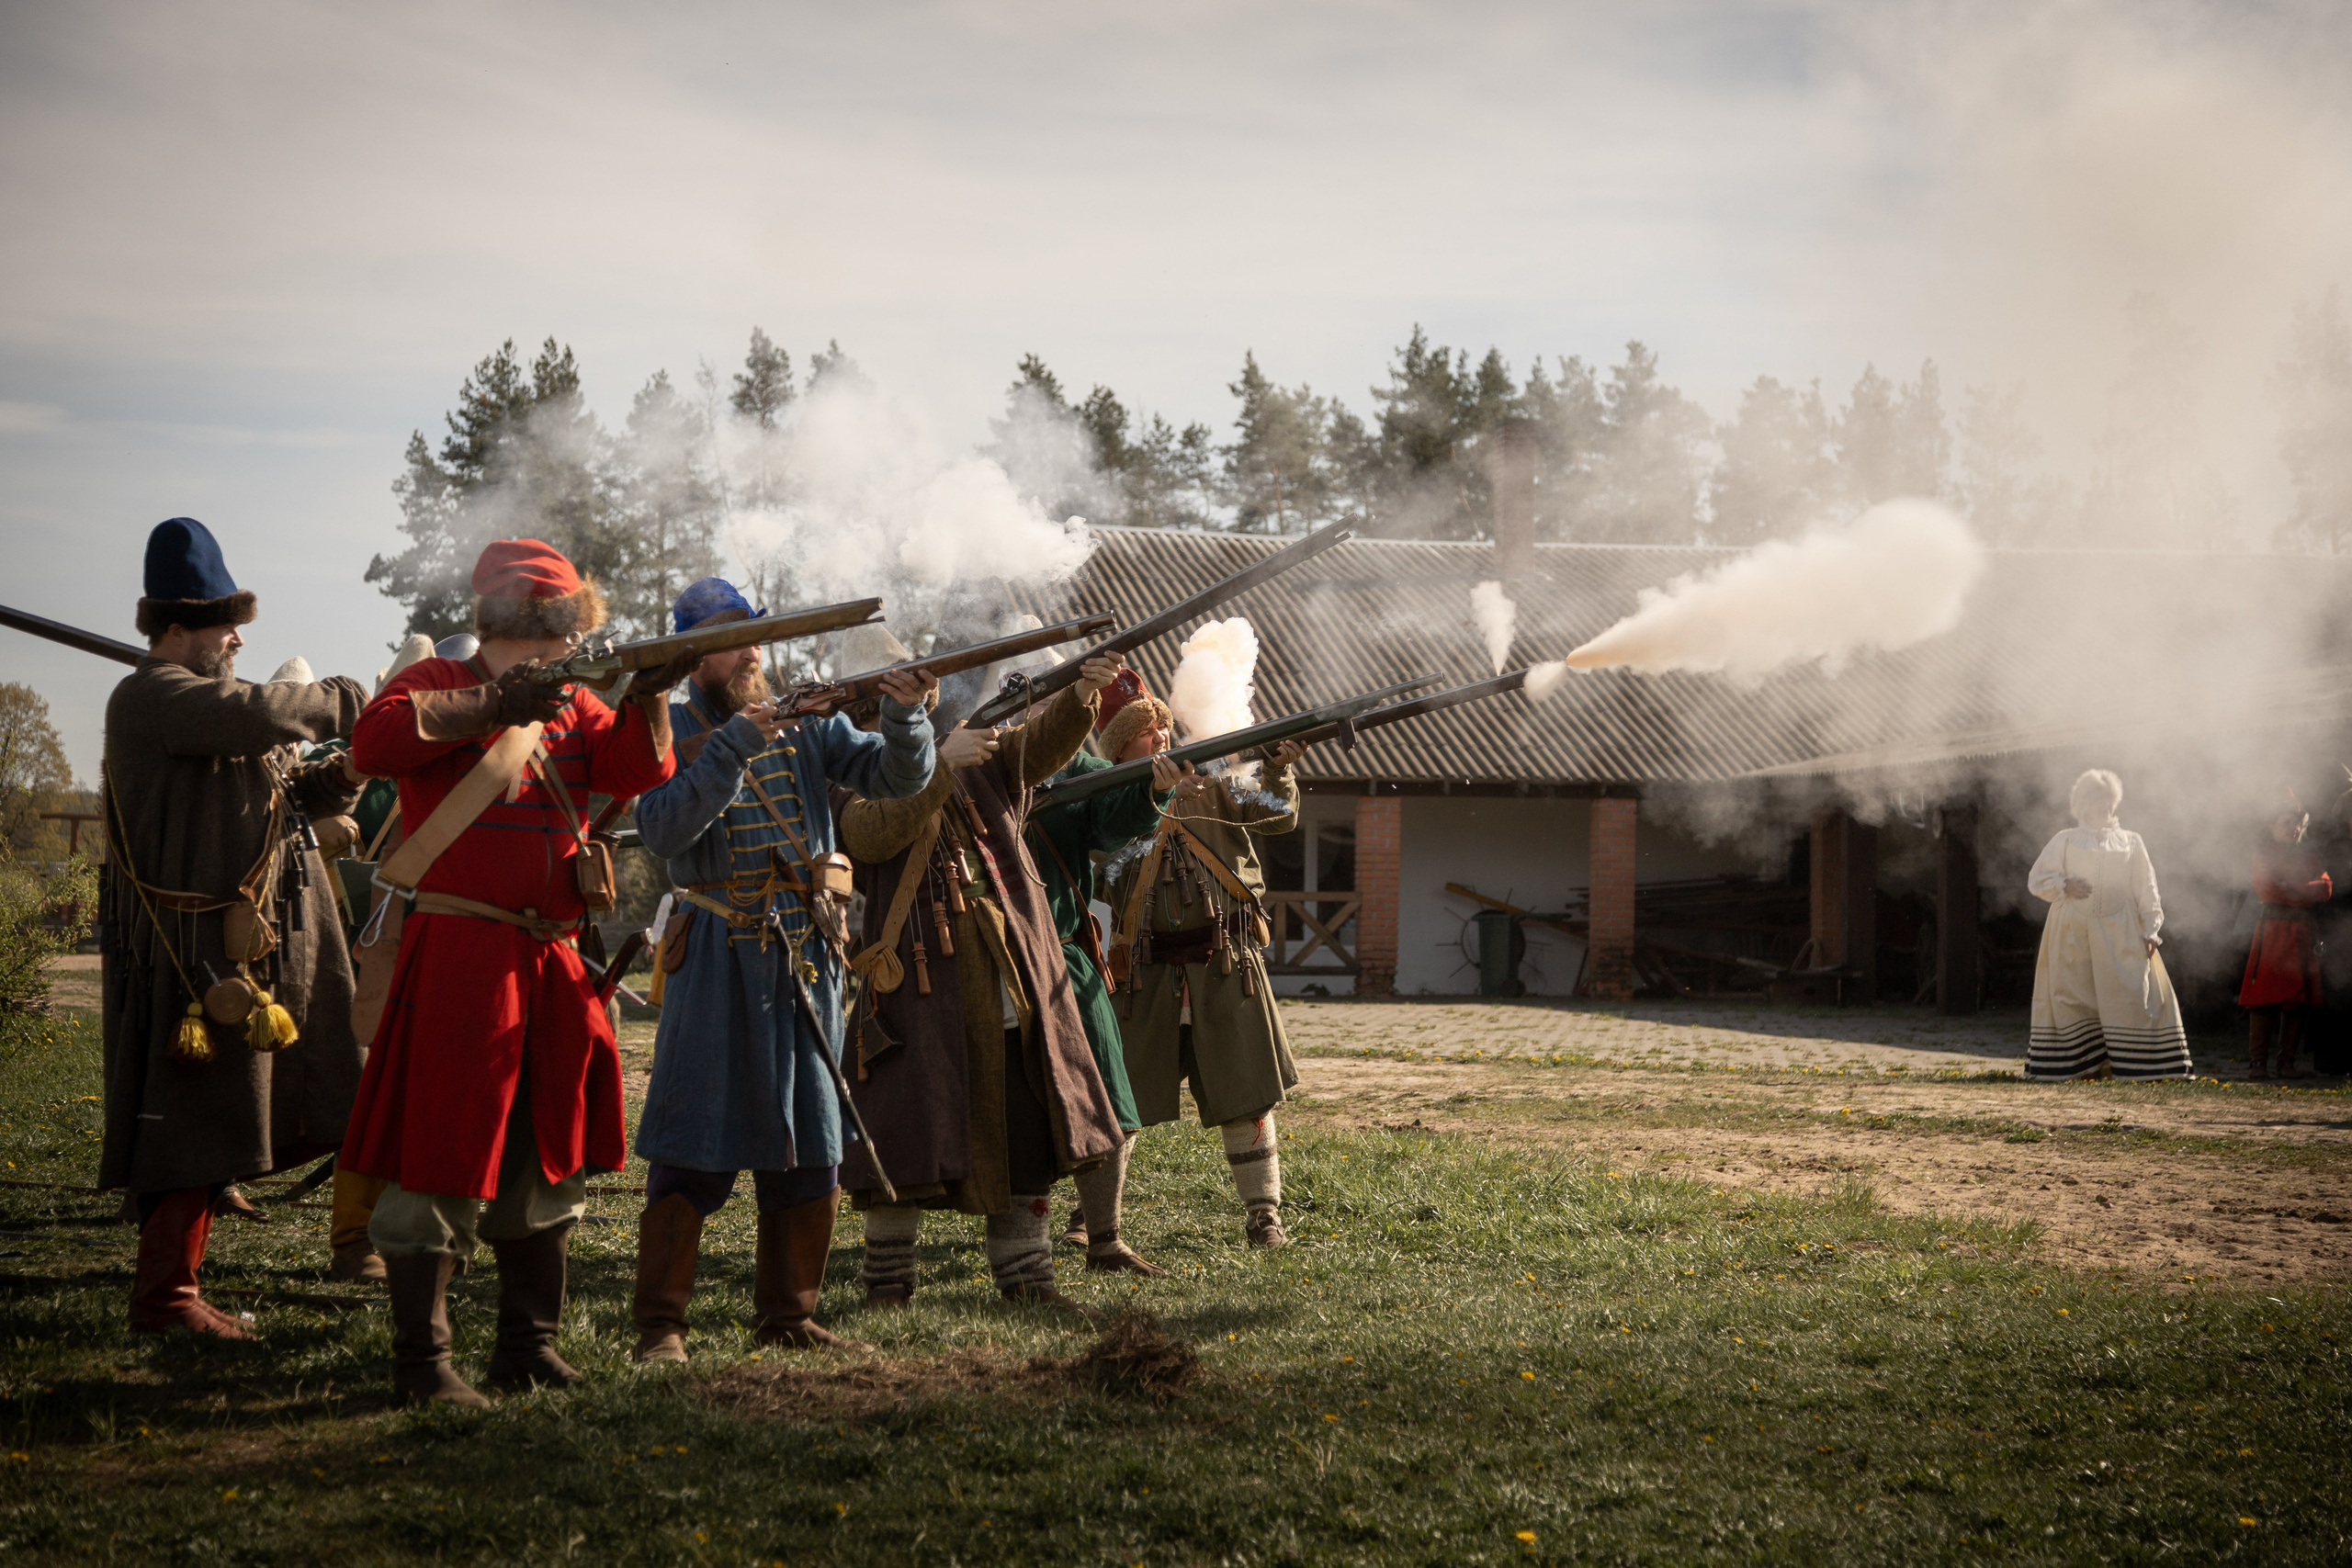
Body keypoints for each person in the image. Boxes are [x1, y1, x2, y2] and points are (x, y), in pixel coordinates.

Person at [341, 538, 687, 1406]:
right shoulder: (434, 688)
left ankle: (526, 1345)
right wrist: (495, 703)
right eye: (560, 623)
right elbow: (373, 745)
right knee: (441, 1154)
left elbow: (639, 771)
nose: (569, 639)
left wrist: (649, 691)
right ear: (537, 619)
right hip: (464, 954)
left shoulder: (575, 704)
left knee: (546, 1153)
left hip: (551, 959)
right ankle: (424, 1362)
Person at [624, 581, 936, 1363]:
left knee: (812, 1144)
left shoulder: (807, 720)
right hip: (718, 961)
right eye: (734, 639)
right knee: (694, 1142)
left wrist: (905, 714)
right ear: (691, 652)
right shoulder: (667, 726)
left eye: (756, 638)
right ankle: (662, 1323)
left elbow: (897, 779)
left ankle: (788, 1314)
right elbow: (662, 829)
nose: (753, 652)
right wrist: (734, 745)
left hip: (806, 952)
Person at [98, 517, 369, 1337]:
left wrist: (354, 769)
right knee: (192, 1120)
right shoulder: (155, 697)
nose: (239, 638)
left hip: (245, 948)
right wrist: (345, 700)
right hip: (194, 959)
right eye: (224, 624)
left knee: (219, 1117)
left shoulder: (207, 711)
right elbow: (249, 715)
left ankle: (179, 1289)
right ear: (175, 629)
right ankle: (166, 1299)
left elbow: (288, 800)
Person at [835, 652, 1128, 1314]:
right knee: (901, 1133)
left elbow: (1040, 747)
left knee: (1027, 1132)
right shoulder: (857, 766)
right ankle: (887, 1284)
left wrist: (1083, 689)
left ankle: (1027, 1276)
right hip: (915, 983)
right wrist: (939, 761)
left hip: (1008, 969)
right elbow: (868, 833)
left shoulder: (979, 749)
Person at [1102, 722, 1309, 1247]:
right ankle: (1097, 1220)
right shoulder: (1110, 806)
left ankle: (1264, 1214)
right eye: (1148, 735)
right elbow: (1105, 869)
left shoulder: (1221, 780)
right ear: (1121, 751)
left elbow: (1279, 816)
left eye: (1166, 731)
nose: (1163, 741)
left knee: (1245, 1094)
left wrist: (1280, 767)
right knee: (1118, 1103)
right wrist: (1152, 799)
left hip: (1226, 961)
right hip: (1144, 971)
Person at [1029, 670, 1178, 1275]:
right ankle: (1020, 1249)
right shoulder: (977, 763)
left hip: (1063, 950)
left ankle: (1104, 1237)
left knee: (1111, 1095)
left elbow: (1118, 817)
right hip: (986, 949)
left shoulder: (1078, 772)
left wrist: (1152, 790)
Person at [2025, 768, 2189, 1081]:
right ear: (2082, 803)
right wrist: (2064, 884)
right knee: (2072, 995)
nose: (2103, 805)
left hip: (2120, 930)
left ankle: (2134, 1066)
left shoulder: (2131, 842)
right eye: (2095, 799)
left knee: (2129, 994)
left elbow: (2146, 887)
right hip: (2072, 930)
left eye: (2108, 799)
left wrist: (2151, 929)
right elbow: (2037, 880)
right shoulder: (2066, 840)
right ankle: (2081, 1066)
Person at [2239, 796, 2332, 1079]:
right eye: (2287, 822)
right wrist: (2303, 890)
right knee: (2264, 997)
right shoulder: (2263, 855)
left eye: (2298, 823)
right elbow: (2268, 890)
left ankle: (2286, 1063)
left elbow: (2325, 889)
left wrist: (2290, 886)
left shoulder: (2310, 858)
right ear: (2272, 826)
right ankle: (2258, 1063)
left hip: (2301, 932)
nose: (2294, 828)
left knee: (2296, 999)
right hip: (2273, 931)